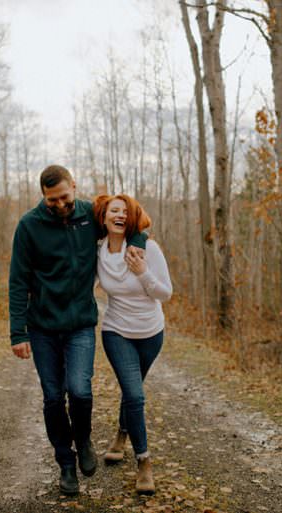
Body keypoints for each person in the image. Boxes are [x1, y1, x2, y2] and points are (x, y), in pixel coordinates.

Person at [8, 165, 146, 496]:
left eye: (64, 198)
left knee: (80, 391)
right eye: (51, 200)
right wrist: (18, 332)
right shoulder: (29, 225)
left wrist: (137, 241)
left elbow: (130, 220)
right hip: (42, 327)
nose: (59, 205)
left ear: (74, 186)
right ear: (43, 196)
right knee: (53, 398)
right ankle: (66, 464)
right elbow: (18, 281)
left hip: (81, 324)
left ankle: (82, 438)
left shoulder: (90, 214)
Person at [92, 194, 172, 495]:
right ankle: (144, 462)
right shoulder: (97, 253)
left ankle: (122, 434)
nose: (120, 215)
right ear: (104, 217)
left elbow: (165, 293)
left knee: (132, 389)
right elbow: (85, 286)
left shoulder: (148, 249)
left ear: (132, 218)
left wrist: (143, 273)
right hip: (116, 332)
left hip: (151, 333)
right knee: (135, 395)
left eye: (126, 211)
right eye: (114, 210)